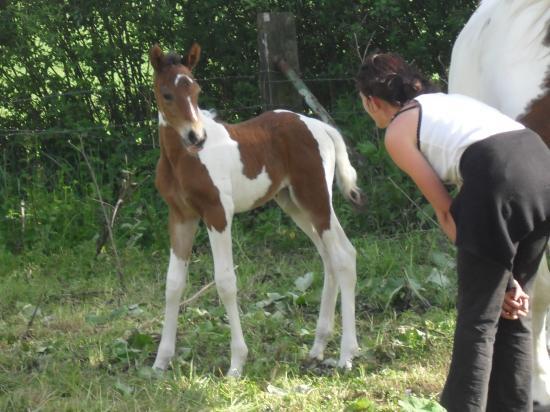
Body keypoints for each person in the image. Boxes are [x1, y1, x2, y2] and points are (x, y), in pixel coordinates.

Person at [356, 52, 550, 412]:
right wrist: (507, 280)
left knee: (479, 317)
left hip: (500, 175)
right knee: (515, 310)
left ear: (371, 101)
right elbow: (477, 198)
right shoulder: (450, 103)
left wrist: (498, 279)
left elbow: (448, 212)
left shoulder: (400, 129)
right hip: (541, 165)